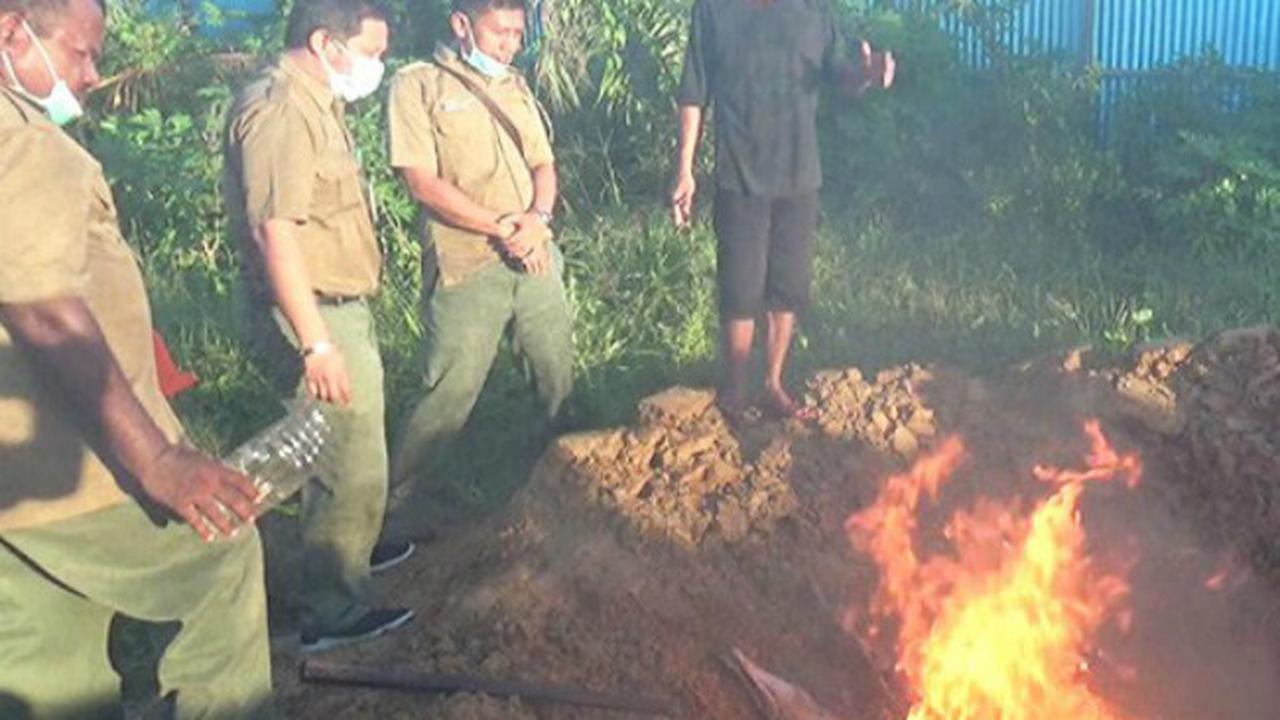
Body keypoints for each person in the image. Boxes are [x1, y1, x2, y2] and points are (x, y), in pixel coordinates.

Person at [0, 0, 274, 716]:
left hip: (15, 481)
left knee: (47, 660)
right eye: (82, 53)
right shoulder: (22, 142)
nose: (94, 75)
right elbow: (43, 308)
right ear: (10, 33)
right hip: (68, 468)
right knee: (220, 557)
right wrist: (156, 459)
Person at [222, 0, 412, 653]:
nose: (378, 65)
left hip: (336, 307)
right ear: (328, 44)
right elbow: (274, 232)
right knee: (342, 452)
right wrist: (317, 342)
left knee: (349, 446)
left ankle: (347, 548)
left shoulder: (317, 103)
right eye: (372, 51)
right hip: (313, 311)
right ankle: (332, 610)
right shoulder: (280, 108)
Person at [385, 0, 571, 510]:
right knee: (449, 392)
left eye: (517, 34)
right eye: (498, 33)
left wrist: (538, 220)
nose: (510, 44)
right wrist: (500, 227)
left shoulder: (515, 86)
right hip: (466, 263)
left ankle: (559, 482)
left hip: (533, 253)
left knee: (555, 375)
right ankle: (394, 506)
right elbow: (422, 182)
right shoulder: (417, 85)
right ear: (462, 25)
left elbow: (543, 164)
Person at [670, 0, 895, 421]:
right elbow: (693, 93)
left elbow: (840, 78)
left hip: (799, 175)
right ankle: (735, 391)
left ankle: (773, 385)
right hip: (739, 174)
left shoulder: (812, 11)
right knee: (740, 288)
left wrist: (867, 75)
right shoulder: (714, 10)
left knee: (787, 288)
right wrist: (684, 168)